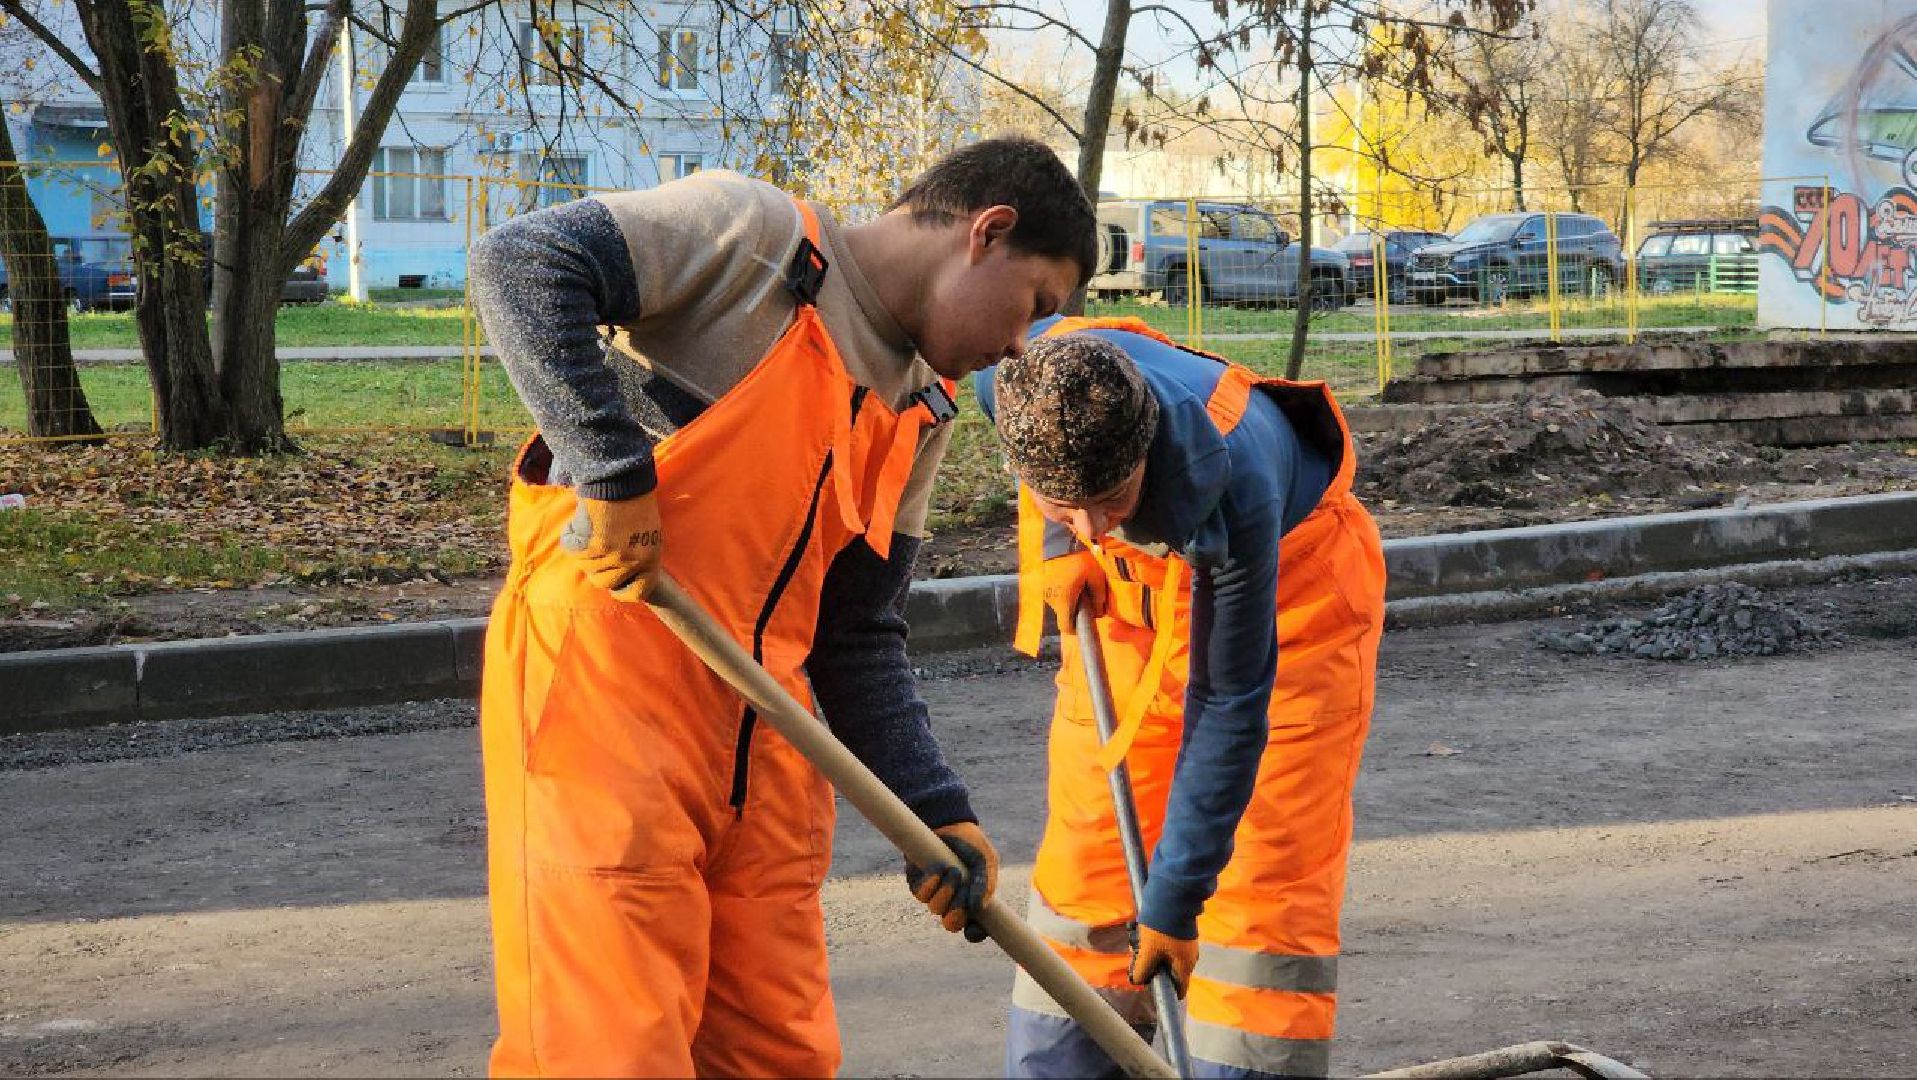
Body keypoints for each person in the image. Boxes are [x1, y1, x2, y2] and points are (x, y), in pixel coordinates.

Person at [467, 135, 1097, 1077]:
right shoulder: (754, 239)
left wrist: (932, 807)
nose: (1019, 345)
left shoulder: (921, 407)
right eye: (1036, 304)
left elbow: (856, 632)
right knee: (608, 1052)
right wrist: (610, 469)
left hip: (769, 759)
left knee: (777, 1056)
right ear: (987, 232)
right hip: (605, 718)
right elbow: (520, 261)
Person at [974, 316, 1387, 1079]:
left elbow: (1228, 705)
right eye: (1066, 505)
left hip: (1293, 599)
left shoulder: (1235, 481)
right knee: (1089, 863)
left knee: (1260, 883)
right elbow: (1060, 479)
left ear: (1143, 452)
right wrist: (1058, 545)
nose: (1093, 524)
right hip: (1134, 601)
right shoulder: (1010, 373)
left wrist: (1174, 902)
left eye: (1109, 498)